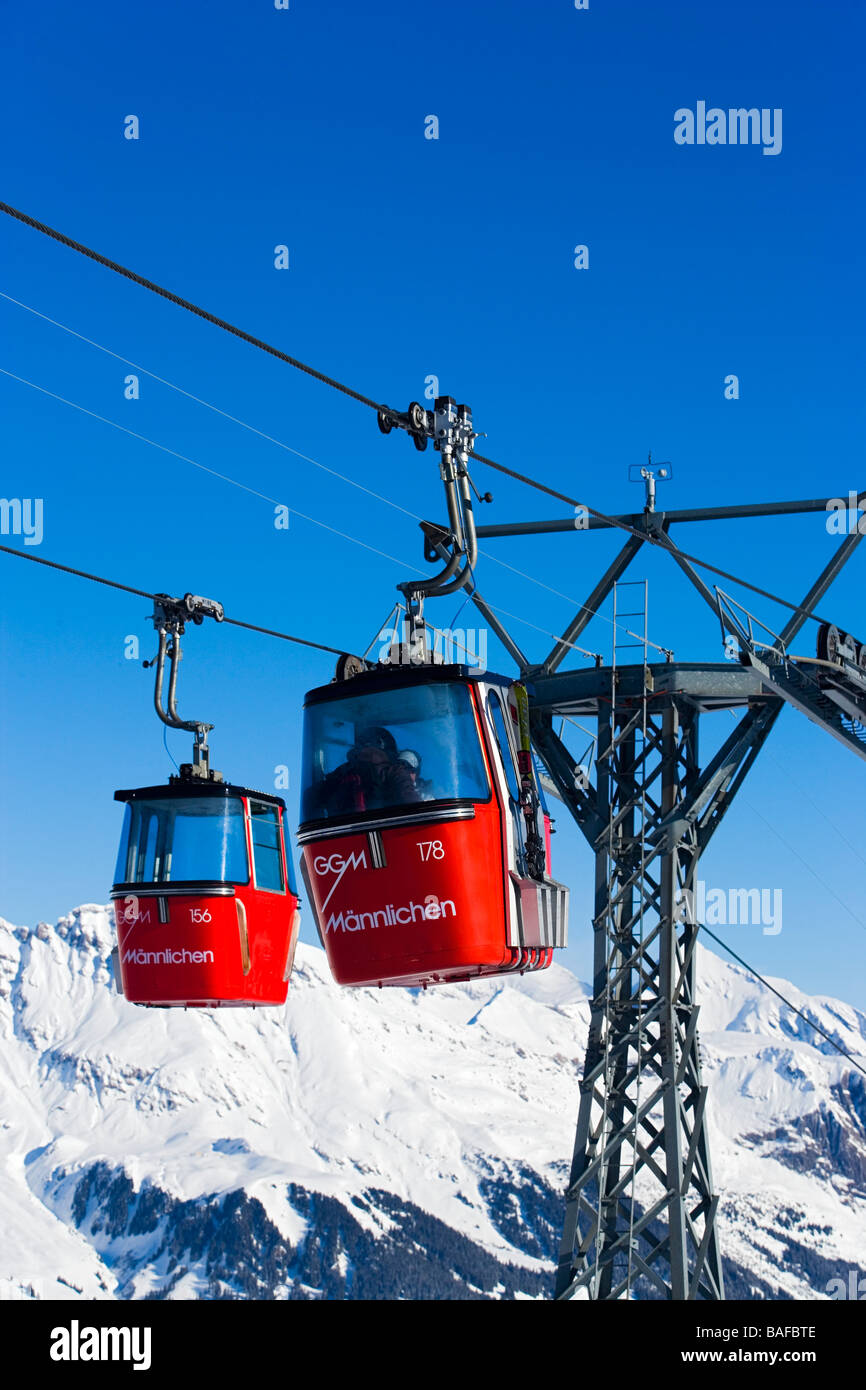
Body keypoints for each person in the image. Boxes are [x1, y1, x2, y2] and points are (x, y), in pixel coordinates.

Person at [314, 727, 422, 815]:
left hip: (342, 836)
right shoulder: (393, 772)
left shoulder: (343, 772)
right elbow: (411, 801)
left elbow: (312, 797)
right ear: (389, 750)